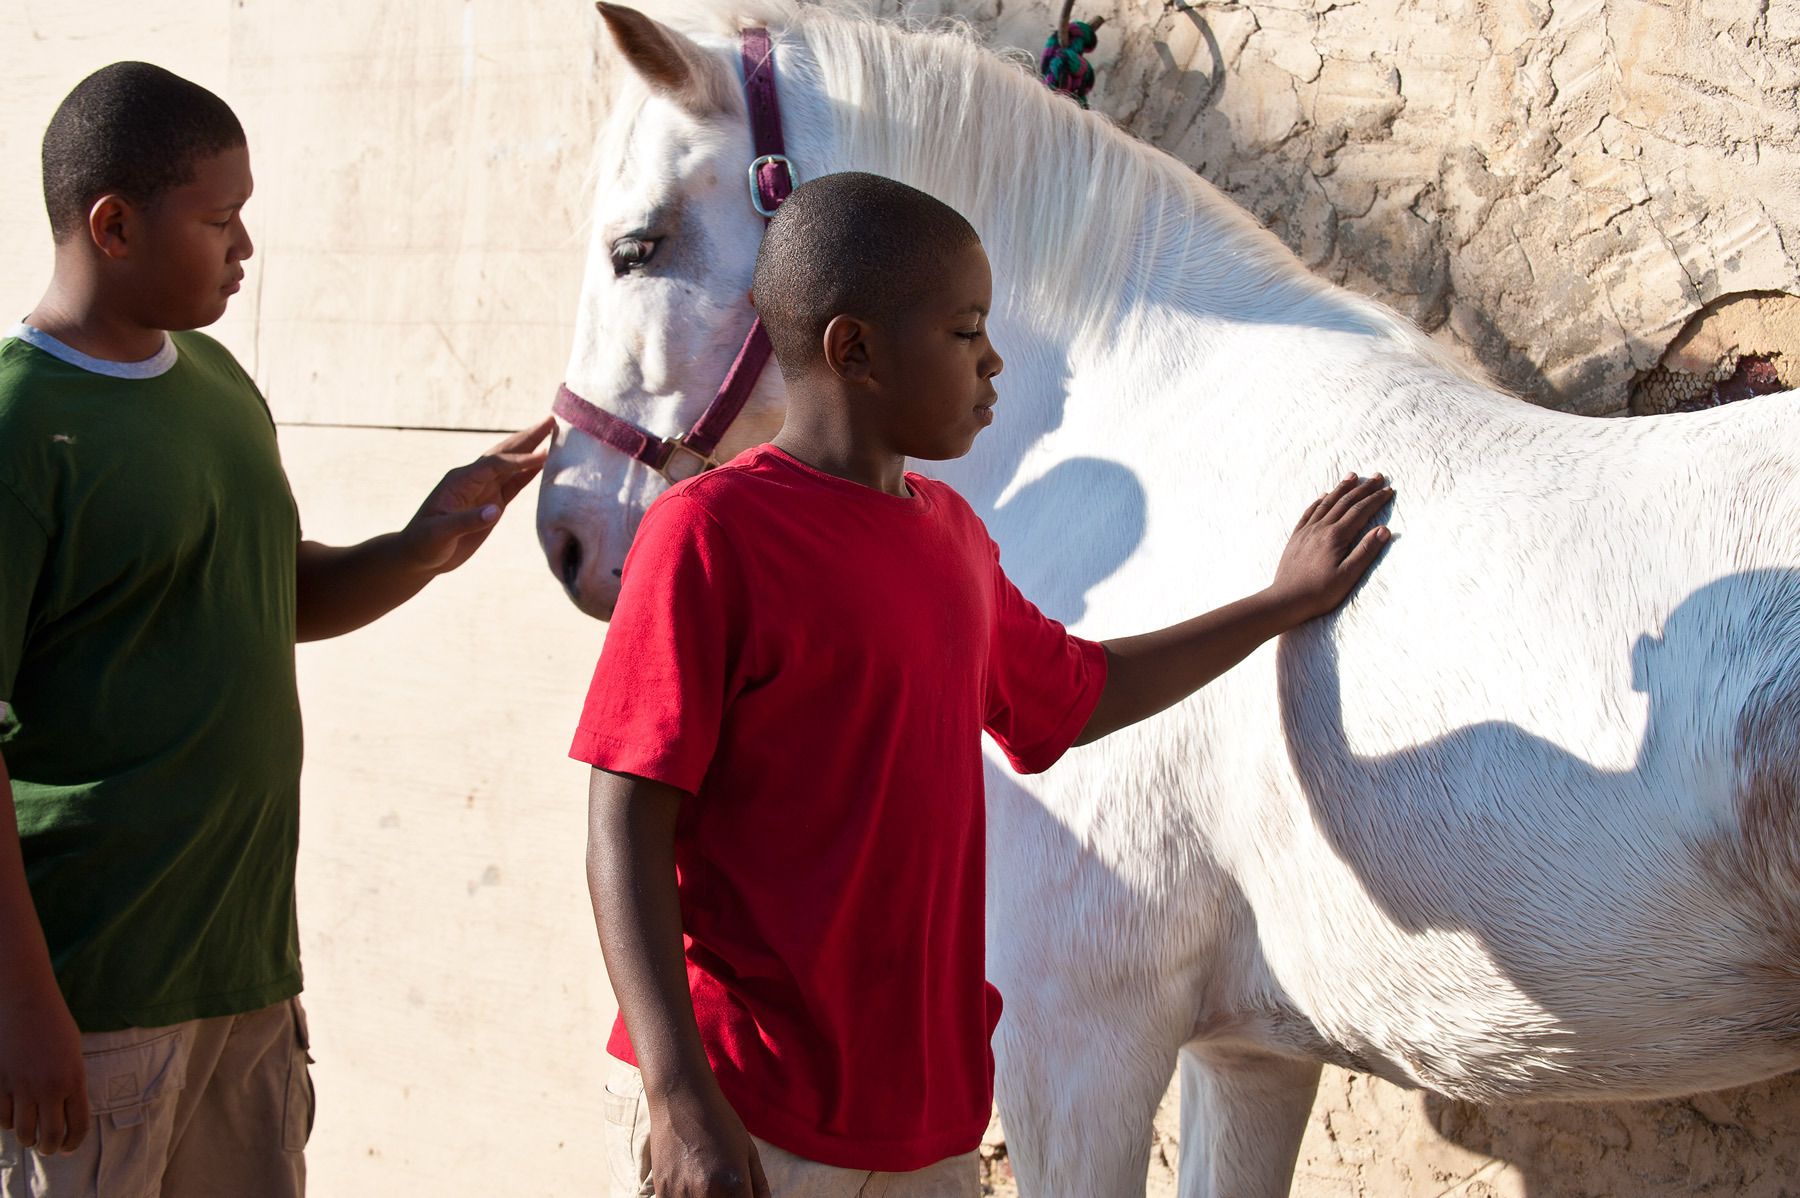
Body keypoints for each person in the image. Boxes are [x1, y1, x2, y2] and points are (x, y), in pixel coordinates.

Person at [578, 171, 1393, 1198]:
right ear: (854, 349)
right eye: (965, 331)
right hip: (748, 1114)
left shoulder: (953, 539)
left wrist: (1279, 603)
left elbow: (1081, 693)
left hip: (929, 1126)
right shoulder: (707, 536)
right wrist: (677, 1095)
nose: (993, 360)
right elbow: (623, 820)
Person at [0, 62, 550, 1196]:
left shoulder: (214, 378)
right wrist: (22, 1011)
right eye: (218, 219)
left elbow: (260, 593)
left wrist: (416, 548)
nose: (245, 248)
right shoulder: (19, 425)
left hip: (244, 977)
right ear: (110, 225)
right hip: (88, 1003)